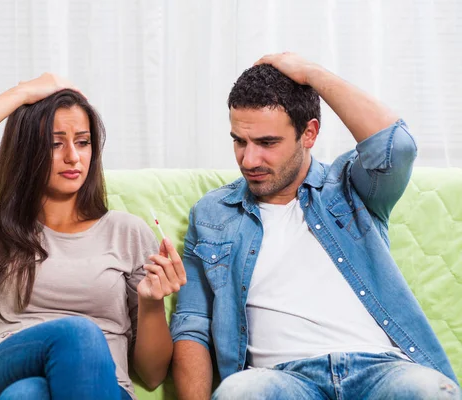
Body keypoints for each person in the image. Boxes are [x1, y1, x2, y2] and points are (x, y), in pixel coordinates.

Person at [170, 53, 460, 399]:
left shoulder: (352, 187)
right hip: (281, 380)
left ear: (309, 133)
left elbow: (395, 145)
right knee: (239, 393)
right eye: (239, 141)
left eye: (267, 143)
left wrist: (312, 74)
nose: (249, 160)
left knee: (430, 390)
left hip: (380, 373)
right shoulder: (213, 214)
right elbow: (192, 327)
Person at [0, 73, 186, 400]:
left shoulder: (127, 233)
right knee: (79, 334)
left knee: (27, 394)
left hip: (102, 389)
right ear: (28, 150)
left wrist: (152, 302)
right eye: (55, 143)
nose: (73, 156)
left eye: (83, 142)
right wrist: (22, 93)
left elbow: (153, 375)